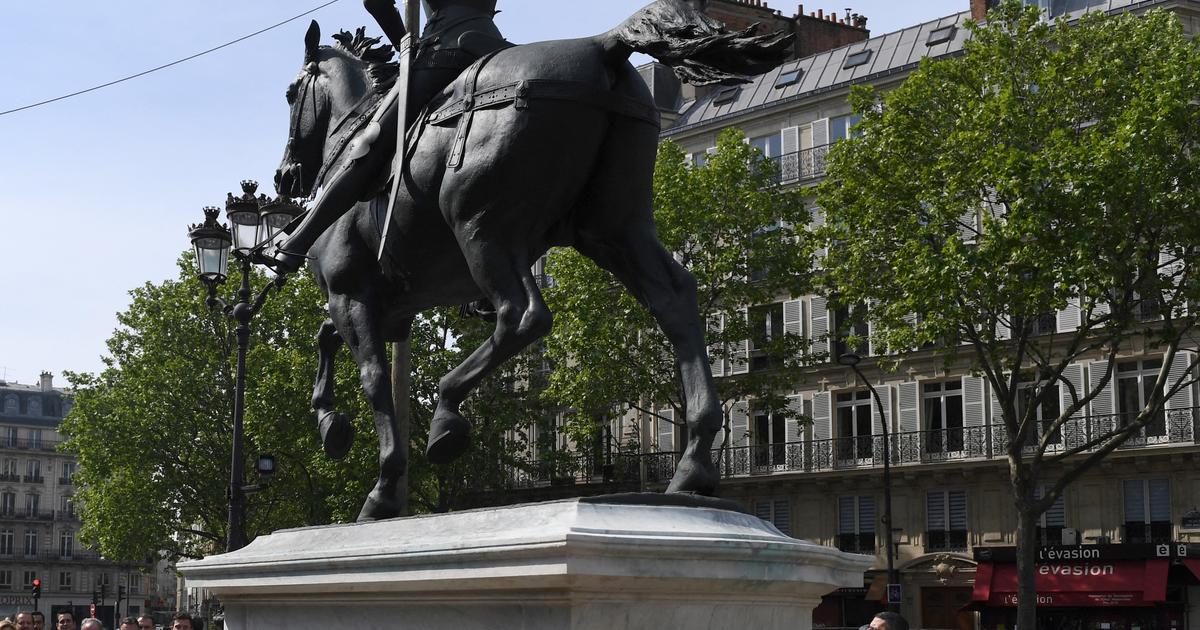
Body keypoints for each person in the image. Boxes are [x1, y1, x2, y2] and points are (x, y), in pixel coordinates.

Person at [273, 0, 509, 272]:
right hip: (494, 47)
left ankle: (296, 244)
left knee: (367, 145)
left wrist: (407, 43)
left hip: (446, 47)